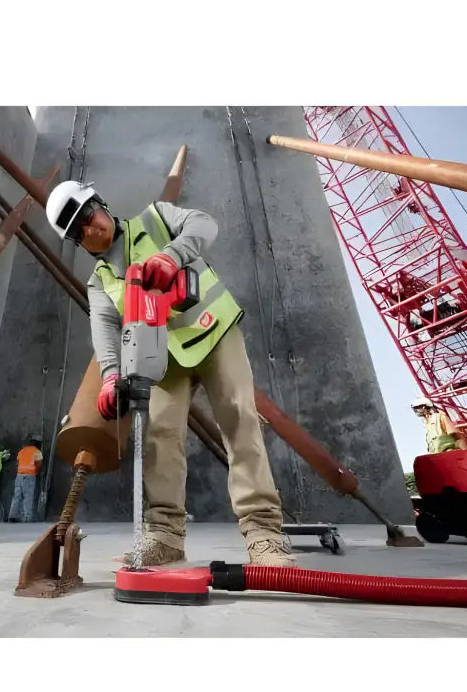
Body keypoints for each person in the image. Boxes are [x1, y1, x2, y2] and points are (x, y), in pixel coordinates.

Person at [45, 180, 296, 567]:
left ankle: (264, 534)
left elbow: (204, 224)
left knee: (239, 420)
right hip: (162, 360)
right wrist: (112, 375)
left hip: (215, 332)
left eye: (89, 216)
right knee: (159, 437)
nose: (91, 230)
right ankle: (165, 537)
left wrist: (172, 256)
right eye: (79, 232)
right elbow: (104, 332)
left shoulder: (157, 217)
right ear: (79, 243)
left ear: (101, 203)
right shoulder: (100, 283)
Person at [9, 438, 43, 523]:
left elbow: (18, 463)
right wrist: (38, 472)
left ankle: (13, 515)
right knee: (28, 496)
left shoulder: (21, 451)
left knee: (17, 495)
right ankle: (27, 517)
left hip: (19, 475)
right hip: (30, 476)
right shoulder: (37, 451)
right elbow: (39, 464)